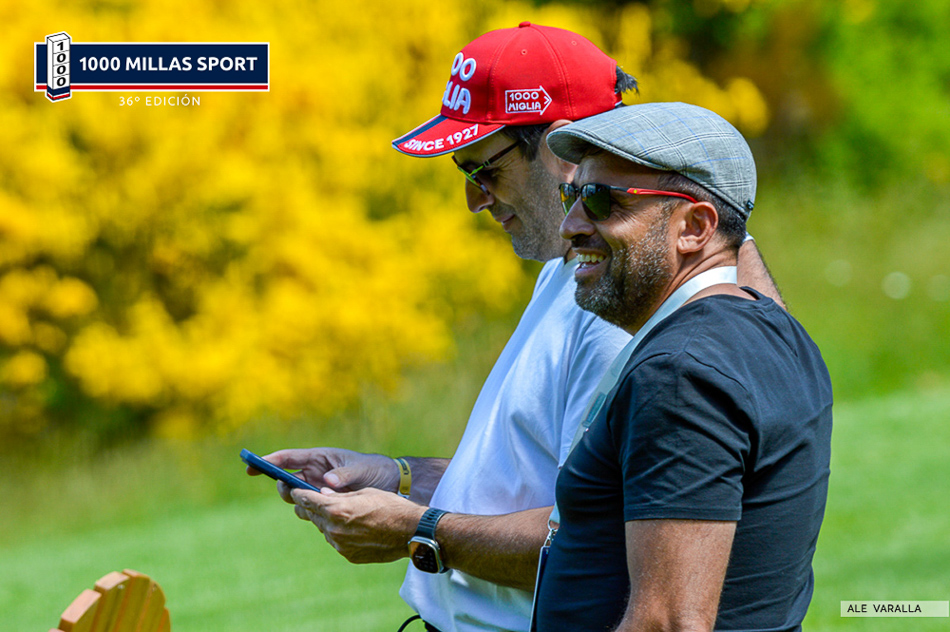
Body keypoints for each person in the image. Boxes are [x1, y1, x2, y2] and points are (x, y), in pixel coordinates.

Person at [248, 24, 783, 632]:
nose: (475, 199)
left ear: (562, 150)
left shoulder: (618, 309)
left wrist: (416, 532)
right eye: (463, 173)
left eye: (484, 170)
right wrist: (398, 477)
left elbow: (598, 541)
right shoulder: (569, 273)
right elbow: (542, 485)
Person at [533, 102, 833, 632]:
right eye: (570, 195)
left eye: (600, 200)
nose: (571, 225)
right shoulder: (774, 328)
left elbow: (668, 622)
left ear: (694, 227)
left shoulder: (679, 375)